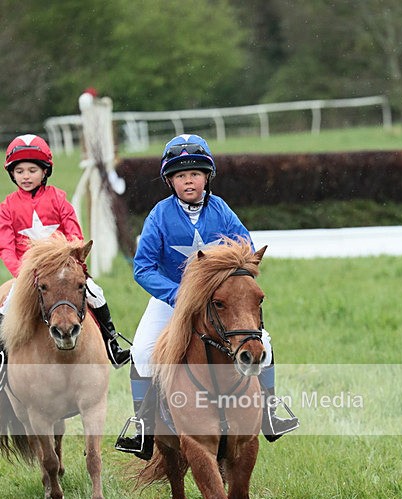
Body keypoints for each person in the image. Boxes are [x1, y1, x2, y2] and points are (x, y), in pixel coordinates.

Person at [115, 133, 299, 460]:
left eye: (195, 174)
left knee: (265, 344)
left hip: (219, 300)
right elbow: (143, 268)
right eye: (181, 176)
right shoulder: (159, 214)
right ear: (170, 181)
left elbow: (245, 250)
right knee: (142, 351)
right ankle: (142, 426)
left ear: (207, 177)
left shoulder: (221, 210)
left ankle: (270, 410)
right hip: (172, 298)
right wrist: (178, 295)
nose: (188, 181)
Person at [0, 133, 130, 387]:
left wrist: (74, 267)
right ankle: (2, 357)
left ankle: (112, 346)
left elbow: (75, 236)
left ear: (45, 171)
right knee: (5, 309)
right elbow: (6, 248)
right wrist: (23, 275)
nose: (26, 176)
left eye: (32, 170)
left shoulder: (58, 198)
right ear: (12, 174)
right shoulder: (7, 207)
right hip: (27, 276)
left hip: (64, 272)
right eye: (19, 171)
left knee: (96, 293)